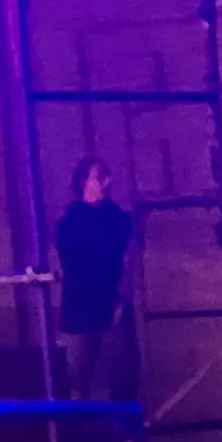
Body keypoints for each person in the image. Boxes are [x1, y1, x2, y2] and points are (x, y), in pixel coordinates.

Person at [54, 157, 138, 402]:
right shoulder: (71, 221)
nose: (106, 182)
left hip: (111, 310)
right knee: (76, 383)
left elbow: (126, 259)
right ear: (84, 181)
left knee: (121, 380)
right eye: (99, 177)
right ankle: (77, 434)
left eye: (106, 176)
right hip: (81, 311)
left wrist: (121, 299)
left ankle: (122, 435)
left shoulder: (117, 219)